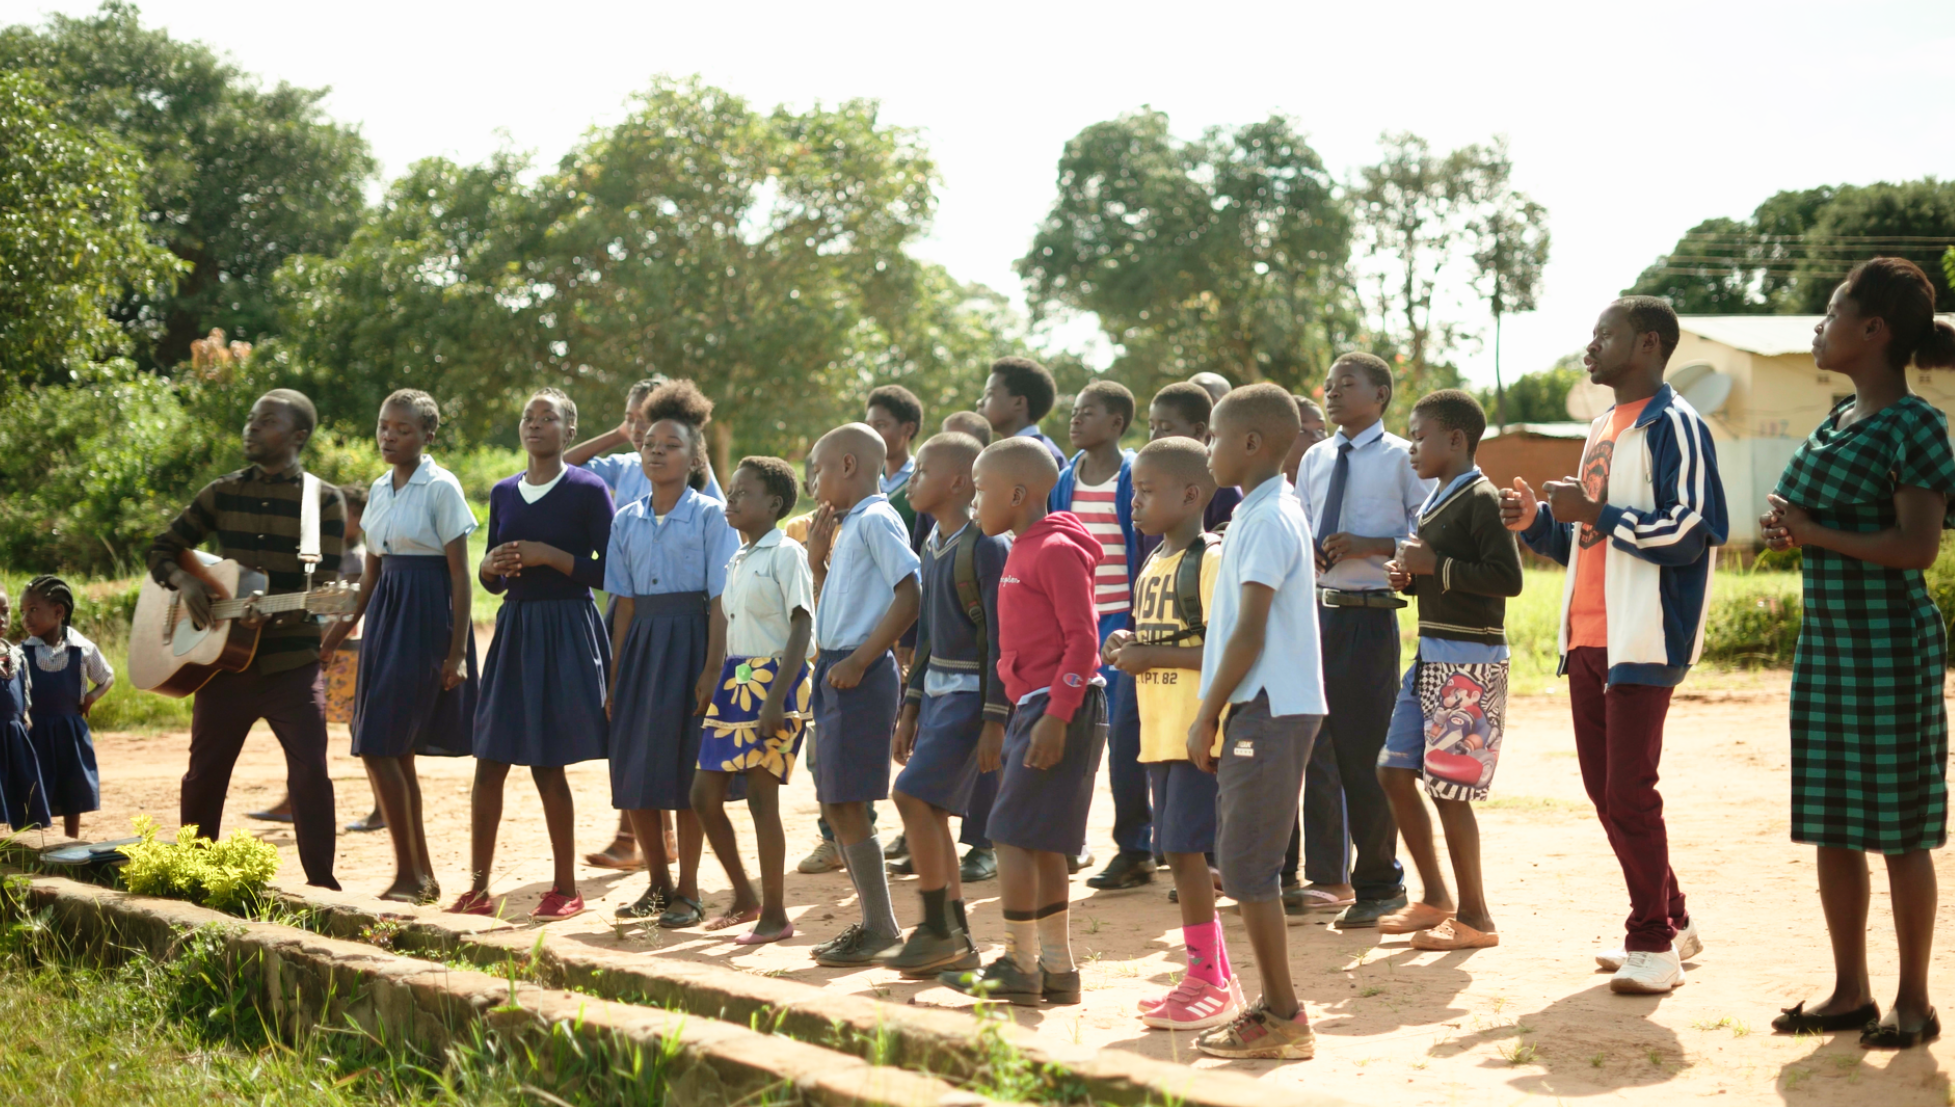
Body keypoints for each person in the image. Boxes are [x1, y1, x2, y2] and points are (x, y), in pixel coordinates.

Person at [1502, 296, 1727, 994]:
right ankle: (1675, 921)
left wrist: (1594, 510)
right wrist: (1538, 521)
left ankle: (1650, 943)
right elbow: (1584, 536)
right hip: (1588, 633)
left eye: (1605, 335)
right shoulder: (1601, 424)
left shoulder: (1675, 424)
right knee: (1608, 794)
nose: (1589, 345)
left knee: (1628, 791)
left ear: (1648, 344)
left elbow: (1691, 530)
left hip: (1643, 632)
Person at [1760, 258, 1955, 1048]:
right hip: (1829, 646)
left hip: (1888, 648)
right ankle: (1850, 992)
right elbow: (1823, 522)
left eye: (1831, 308)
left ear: (1872, 330)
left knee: (1900, 829)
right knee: (1832, 823)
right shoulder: (1837, 418)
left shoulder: (1913, 425)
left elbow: (1916, 548)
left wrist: (1811, 531)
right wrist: (1792, 529)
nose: (1818, 323)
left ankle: (1913, 1001)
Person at [146, 389, 344, 889]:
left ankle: (322, 885)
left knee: (310, 773)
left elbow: (328, 589)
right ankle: (193, 876)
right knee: (204, 774)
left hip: (291, 664)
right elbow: (163, 548)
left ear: (298, 436)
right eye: (251, 419)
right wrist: (187, 581)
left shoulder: (322, 500)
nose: (251, 427)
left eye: (266, 421)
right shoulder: (222, 492)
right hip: (223, 665)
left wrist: (276, 613)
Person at [1187, 383, 1325, 1059]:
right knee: (1245, 864)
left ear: (1248, 443)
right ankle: (1274, 1009)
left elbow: (1248, 632)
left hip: (1267, 704)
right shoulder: (1254, 511)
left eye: (1212, 437)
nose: (1206, 449)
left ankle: (1283, 1016)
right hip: (1262, 703)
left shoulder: (1269, 517)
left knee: (1248, 868)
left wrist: (1204, 713)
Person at [942, 437, 1105, 1006]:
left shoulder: (1054, 549)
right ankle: (1057, 971)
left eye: (980, 490)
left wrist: (1057, 716)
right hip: (1036, 705)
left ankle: (1018, 961)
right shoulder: (1021, 546)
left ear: (1016, 493)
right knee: (1042, 844)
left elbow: (1085, 641)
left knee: (1009, 835)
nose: (974, 501)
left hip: (1058, 706)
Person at [454, 389, 614, 921]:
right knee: (490, 760)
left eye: (549, 418)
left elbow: (610, 572)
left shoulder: (589, 490)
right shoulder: (502, 493)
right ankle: (477, 889)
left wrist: (552, 556)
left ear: (570, 431)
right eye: (528, 416)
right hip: (517, 629)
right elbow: (494, 580)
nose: (536, 424)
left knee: (548, 763)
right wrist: (489, 569)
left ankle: (565, 887)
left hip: (567, 628)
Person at [1377, 390, 1522, 951]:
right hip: (1434, 655)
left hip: (1470, 663)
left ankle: (1477, 918)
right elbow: (1442, 573)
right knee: (1393, 771)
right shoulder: (1439, 498)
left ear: (1455, 439)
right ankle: (1435, 897)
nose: (1411, 447)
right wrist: (1412, 577)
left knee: (1451, 791)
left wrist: (1433, 564)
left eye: (1419, 435)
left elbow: (1506, 578)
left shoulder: (1482, 498)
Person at [321, 390, 479, 904]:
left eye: (403, 429)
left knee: (380, 744)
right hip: (386, 617)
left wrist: (456, 653)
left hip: (426, 618)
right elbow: (371, 574)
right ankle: (419, 874)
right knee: (389, 750)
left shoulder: (442, 487)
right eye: (384, 427)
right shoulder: (379, 489)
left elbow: (460, 577)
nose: (389, 436)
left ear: (427, 435)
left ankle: (413, 875)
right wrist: (339, 632)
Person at [1106, 437, 1241, 1031]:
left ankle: (1207, 978)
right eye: (1133, 489)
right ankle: (1207, 973)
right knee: (1176, 854)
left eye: (1145, 490)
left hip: (1194, 733)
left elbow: (1223, 648)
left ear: (1191, 495)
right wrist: (1126, 650)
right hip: (1158, 732)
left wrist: (1149, 654)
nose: (1133, 501)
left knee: (1187, 853)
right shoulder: (1154, 561)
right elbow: (1158, 643)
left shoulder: (1209, 561)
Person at [1295, 353, 1432, 926]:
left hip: (1370, 616)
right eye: (1327, 385)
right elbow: (1301, 523)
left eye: (1345, 384)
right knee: (1313, 750)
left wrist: (1369, 544)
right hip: (1316, 617)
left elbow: (1427, 533)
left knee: (1365, 755)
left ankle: (1381, 882)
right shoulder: (1314, 457)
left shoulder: (1404, 457)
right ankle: (1322, 876)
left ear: (1380, 394)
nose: (1331, 393)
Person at [605, 380, 741, 928]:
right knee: (635, 770)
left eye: (672, 444)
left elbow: (720, 602)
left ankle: (689, 891)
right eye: (650, 443)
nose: (657, 451)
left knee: (686, 774)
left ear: (695, 457)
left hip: (691, 646)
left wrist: (712, 668)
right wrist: (615, 676)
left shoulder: (712, 517)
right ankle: (657, 885)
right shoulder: (625, 519)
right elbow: (624, 606)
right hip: (641, 649)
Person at [886, 432, 1009, 978]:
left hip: (969, 697)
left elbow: (1000, 640)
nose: (911, 480)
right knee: (928, 808)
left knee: (911, 796)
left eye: (921, 472)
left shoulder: (984, 546)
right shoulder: (933, 542)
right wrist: (909, 707)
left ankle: (940, 925)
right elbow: (930, 631)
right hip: (936, 693)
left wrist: (994, 718)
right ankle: (952, 936)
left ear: (959, 482)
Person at [802, 423, 922, 966]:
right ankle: (875, 923)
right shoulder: (849, 525)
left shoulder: (876, 518)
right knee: (834, 800)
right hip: (836, 669)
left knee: (848, 801)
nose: (815, 479)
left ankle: (880, 926)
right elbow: (840, 605)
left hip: (858, 673)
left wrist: (861, 658)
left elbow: (910, 593)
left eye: (820, 467)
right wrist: (816, 564)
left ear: (848, 466)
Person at [694, 456, 815, 945]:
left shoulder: (786, 554)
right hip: (736, 678)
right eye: (731, 490)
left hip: (776, 682)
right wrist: (711, 673)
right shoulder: (739, 557)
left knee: (762, 800)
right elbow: (724, 618)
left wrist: (775, 697)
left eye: (744, 492)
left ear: (775, 504)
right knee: (703, 795)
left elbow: (803, 624)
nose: (732, 499)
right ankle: (745, 898)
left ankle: (776, 915)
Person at [570, 377, 683, 875]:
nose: (637, 428)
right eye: (631, 417)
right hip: (625, 603)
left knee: (648, 721)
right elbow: (560, 466)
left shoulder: (683, 469)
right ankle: (650, 835)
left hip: (670, 609)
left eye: (645, 418)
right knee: (627, 714)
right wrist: (618, 434)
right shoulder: (619, 464)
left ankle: (636, 838)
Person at [255, 484, 391, 833]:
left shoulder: (357, 557)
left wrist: (322, 639)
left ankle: (383, 808)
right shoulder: (331, 554)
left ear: (360, 518)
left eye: (342, 514)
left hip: (346, 652)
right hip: (332, 651)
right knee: (309, 729)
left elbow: (348, 609)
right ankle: (295, 801)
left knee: (359, 733)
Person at [1051, 381, 1144, 890]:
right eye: (1074, 411)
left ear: (1115, 424)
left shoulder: (1132, 477)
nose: (1075, 419)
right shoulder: (1065, 479)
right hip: (1077, 625)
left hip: (1124, 623)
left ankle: (1135, 848)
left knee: (1125, 737)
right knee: (1072, 731)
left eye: (1088, 413)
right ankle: (1069, 840)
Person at [18, 576, 108, 839]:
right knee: (33, 786)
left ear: (59, 612)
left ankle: (71, 839)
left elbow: (107, 677)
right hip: (34, 732)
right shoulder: (22, 653)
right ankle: (32, 842)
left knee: (72, 783)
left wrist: (91, 697)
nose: (26, 618)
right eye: (23, 612)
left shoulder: (83, 649)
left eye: (33, 610)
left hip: (70, 731)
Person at [0, 584, 52, 832]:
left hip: (15, 734)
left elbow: (23, 690)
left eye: (5, 611)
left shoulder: (16, 654)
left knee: (21, 786)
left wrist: (25, 712)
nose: (1, 619)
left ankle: (20, 847)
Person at [979, 356, 1067, 469]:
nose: (980, 402)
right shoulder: (1008, 452)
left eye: (990, 394)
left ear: (1019, 402)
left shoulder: (1038, 456)